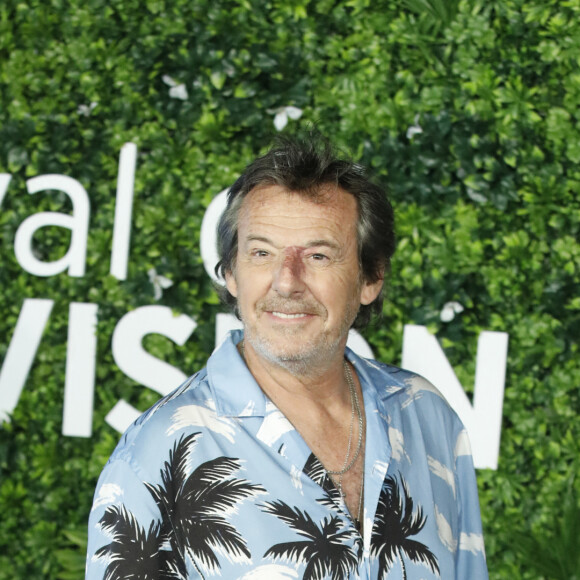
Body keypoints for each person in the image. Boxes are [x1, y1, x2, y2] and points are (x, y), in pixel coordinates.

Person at [86, 133, 489, 579]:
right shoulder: (158, 453)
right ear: (232, 274)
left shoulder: (425, 414)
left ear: (370, 278)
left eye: (318, 255)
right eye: (261, 253)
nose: (286, 281)